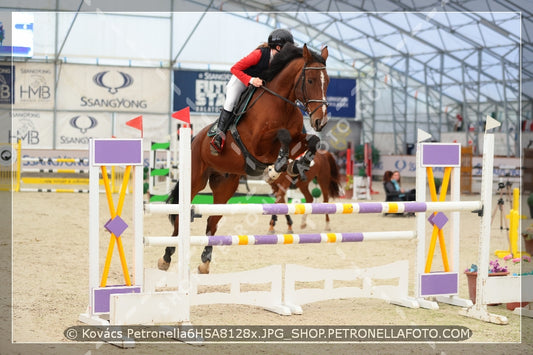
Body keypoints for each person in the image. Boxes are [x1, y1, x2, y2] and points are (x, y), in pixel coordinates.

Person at [210, 28, 295, 154]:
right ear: (277, 47)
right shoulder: (259, 54)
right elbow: (235, 68)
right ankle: (219, 135)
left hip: (260, 84)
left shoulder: (282, 61)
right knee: (230, 102)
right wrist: (251, 80)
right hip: (241, 79)